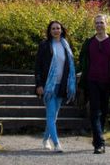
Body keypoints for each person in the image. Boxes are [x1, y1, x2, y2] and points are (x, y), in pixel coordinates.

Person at [79, 14, 110, 154]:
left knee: (103, 112)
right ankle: (99, 144)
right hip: (92, 81)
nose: (99, 25)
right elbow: (82, 61)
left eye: (101, 22)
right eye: (96, 23)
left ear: (106, 24)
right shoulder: (89, 43)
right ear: (94, 25)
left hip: (108, 82)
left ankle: (97, 137)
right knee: (95, 112)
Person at [34, 20, 76, 153]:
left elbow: (69, 66)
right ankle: (57, 143)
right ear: (50, 31)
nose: (56, 30)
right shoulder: (45, 45)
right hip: (48, 86)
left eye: (58, 28)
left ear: (62, 30)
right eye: (53, 28)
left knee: (54, 115)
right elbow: (38, 67)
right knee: (51, 114)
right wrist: (39, 84)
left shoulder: (66, 46)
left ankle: (45, 139)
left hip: (61, 85)